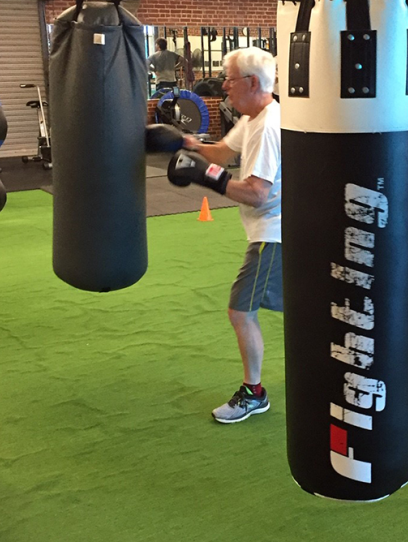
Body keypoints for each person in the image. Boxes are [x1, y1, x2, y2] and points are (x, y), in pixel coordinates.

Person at [172, 47, 281, 424]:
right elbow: (220, 150)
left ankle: (254, 392)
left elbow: (256, 192)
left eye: (229, 78)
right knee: (297, 307)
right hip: (272, 230)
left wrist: (206, 176)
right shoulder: (252, 118)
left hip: (275, 233)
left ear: (252, 82)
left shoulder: (268, 126)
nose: (223, 84)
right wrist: (184, 145)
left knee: (241, 310)